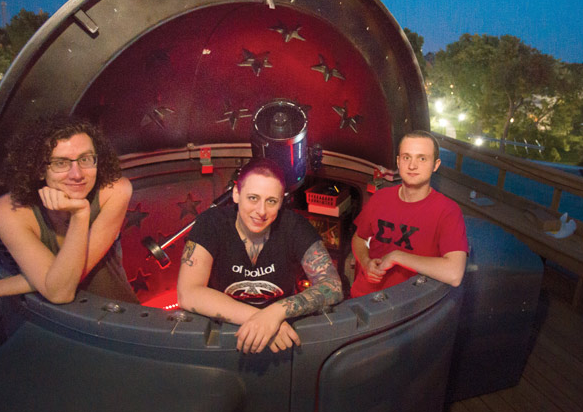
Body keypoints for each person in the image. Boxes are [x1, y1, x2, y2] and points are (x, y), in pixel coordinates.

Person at [0, 116, 137, 324]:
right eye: (60, 163)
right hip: (44, 321)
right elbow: (59, 289)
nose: (77, 174)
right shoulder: (6, 211)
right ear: (40, 169)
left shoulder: (116, 190)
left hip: (116, 318)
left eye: (85, 159)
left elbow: (60, 288)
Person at [177, 158, 342, 354]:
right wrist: (260, 319)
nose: (261, 211)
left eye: (271, 201)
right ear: (237, 194)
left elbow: (332, 286)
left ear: (281, 202)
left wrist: (275, 313)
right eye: (253, 198)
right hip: (225, 335)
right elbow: (188, 293)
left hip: (282, 335)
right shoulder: (211, 223)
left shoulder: (294, 226)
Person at [350, 130, 468, 298]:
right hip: (363, 298)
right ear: (398, 162)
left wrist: (398, 256)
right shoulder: (381, 197)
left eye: (422, 158)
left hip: (404, 306)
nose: (412, 166)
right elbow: (359, 238)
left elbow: (454, 274)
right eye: (406, 157)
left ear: (435, 165)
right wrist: (366, 262)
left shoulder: (448, 211)